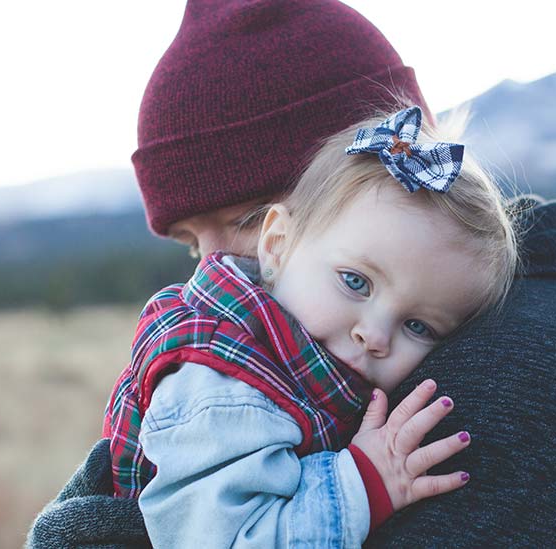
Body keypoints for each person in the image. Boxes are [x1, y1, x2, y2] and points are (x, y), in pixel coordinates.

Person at [27, 0, 556, 547]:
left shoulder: (517, 377)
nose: (212, 271)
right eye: (187, 243)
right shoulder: (275, 362)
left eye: (243, 220)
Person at [105, 105, 517, 547]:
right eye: (355, 282)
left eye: (418, 326)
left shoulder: (298, 360)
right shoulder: (223, 388)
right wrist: (364, 482)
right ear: (278, 245)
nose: (375, 336)